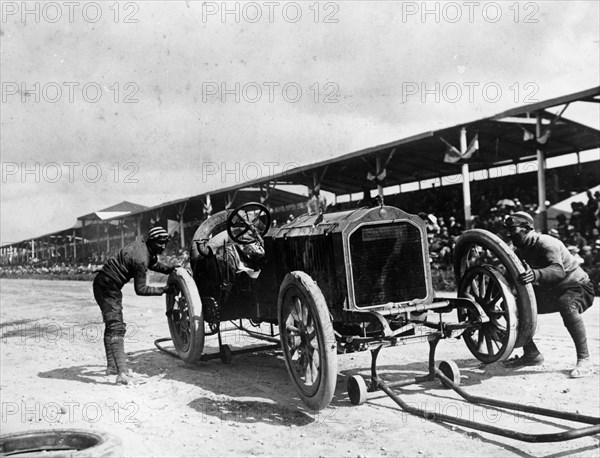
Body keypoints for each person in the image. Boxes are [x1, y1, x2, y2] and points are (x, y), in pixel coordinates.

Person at [503, 211, 595, 378]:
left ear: (526, 228)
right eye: (507, 231)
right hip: (552, 290)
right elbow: (509, 276)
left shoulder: (546, 243)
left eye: (513, 230)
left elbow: (558, 271)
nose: (509, 235)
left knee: (567, 305)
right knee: (515, 306)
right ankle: (531, 354)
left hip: (578, 287)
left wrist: (536, 275)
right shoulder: (519, 250)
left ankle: (585, 360)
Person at [93, 226, 179, 385]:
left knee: (111, 326)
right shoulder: (140, 258)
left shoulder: (144, 248)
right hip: (107, 286)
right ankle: (122, 373)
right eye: (160, 243)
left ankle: (112, 367)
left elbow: (153, 264)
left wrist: (170, 269)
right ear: (151, 241)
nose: (163, 246)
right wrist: (165, 289)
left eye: (165, 243)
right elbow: (141, 289)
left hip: (103, 282)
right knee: (116, 327)